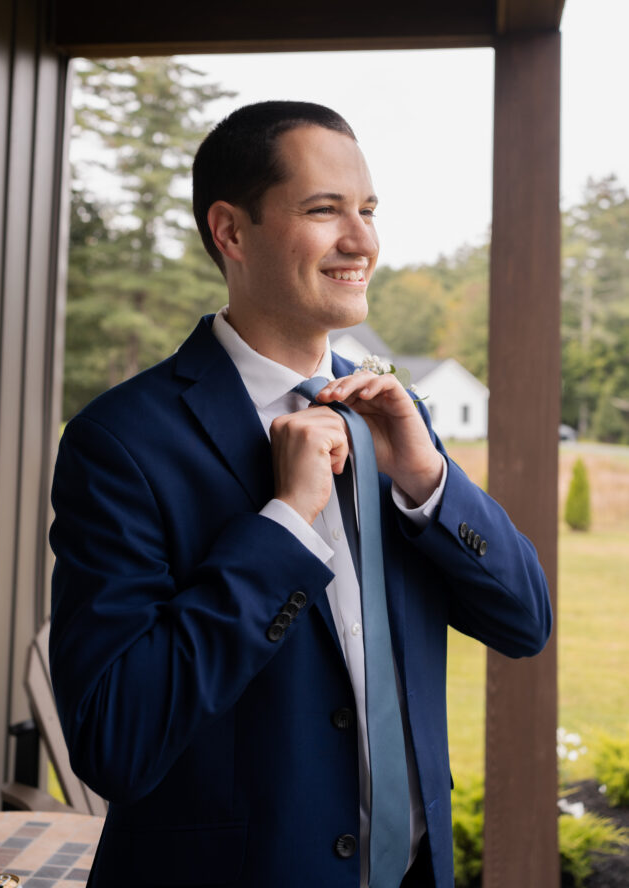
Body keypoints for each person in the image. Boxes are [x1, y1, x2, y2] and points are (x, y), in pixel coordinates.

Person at [49, 101, 552, 888]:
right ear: (231, 231)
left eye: (368, 211)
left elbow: (525, 623)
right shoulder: (121, 443)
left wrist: (428, 483)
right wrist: (283, 526)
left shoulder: (392, 418)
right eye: (324, 210)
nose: (362, 242)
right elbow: (117, 738)